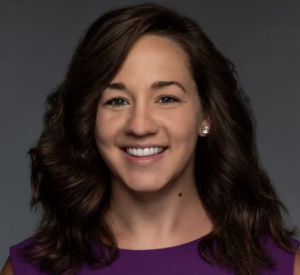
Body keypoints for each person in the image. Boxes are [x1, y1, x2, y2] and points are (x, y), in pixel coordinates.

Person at [1, 3, 300, 275]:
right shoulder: (29, 268)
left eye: (166, 98)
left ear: (206, 115)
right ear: (89, 119)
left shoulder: (285, 267)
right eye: (117, 101)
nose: (140, 125)